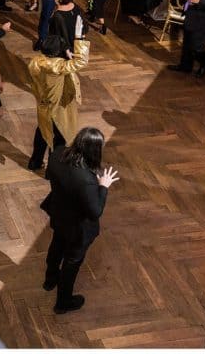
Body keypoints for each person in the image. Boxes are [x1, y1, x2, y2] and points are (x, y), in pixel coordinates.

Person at [41, 127, 119, 314]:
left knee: (57, 244)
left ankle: (50, 279)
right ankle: (63, 302)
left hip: (59, 214)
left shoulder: (57, 154)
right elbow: (95, 211)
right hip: (77, 227)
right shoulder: (86, 180)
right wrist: (104, 186)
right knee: (72, 262)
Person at [27, 33, 90, 171]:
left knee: (43, 133)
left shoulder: (35, 62)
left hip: (43, 105)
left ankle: (35, 162)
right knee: (58, 139)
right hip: (57, 109)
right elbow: (81, 62)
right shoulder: (58, 66)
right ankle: (52, 171)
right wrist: (79, 39)